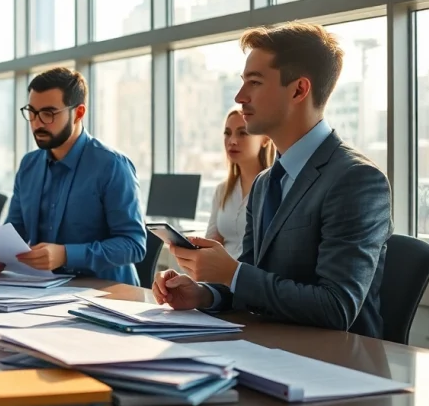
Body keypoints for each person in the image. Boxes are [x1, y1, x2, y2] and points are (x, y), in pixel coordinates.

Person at [154, 22, 391, 339]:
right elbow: (253, 280)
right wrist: (204, 293)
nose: (240, 97)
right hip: (269, 349)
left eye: (254, 82)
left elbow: (336, 308)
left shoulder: (357, 180)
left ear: (298, 90)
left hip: (335, 367)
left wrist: (233, 273)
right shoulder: (266, 183)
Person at [0, 67, 145, 284]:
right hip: (42, 290)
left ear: (79, 113)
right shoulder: (29, 165)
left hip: (106, 295)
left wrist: (66, 254)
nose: (37, 123)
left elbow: (133, 245)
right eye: (32, 112)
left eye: (48, 114)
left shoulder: (112, 165)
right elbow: (14, 233)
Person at [205, 107, 275, 258]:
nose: (232, 141)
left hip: (251, 278)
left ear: (265, 139)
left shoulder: (275, 189)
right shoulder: (222, 190)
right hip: (219, 278)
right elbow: (210, 244)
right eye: (227, 133)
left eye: (242, 133)